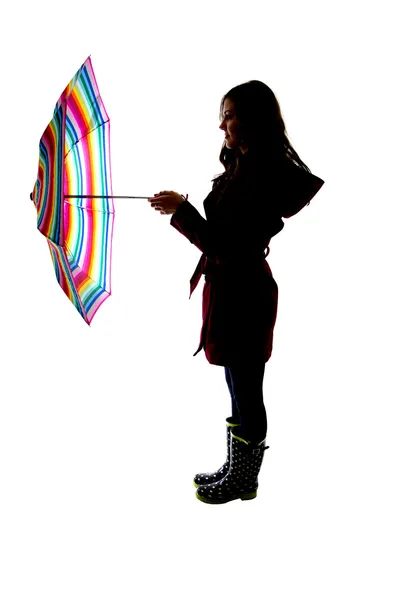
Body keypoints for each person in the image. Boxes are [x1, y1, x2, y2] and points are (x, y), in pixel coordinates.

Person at [147, 80, 324, 504]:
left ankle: (245, 480)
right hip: (232, 291)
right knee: (236, 382)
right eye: (222, 115)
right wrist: (184, 209)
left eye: (228, 114)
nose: (222, 125)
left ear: (252, 119)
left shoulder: (261, 175)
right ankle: (237, 468)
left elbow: (225, 244)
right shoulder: (243, 168)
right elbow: (223, 234)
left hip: (244, 294)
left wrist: (182, 212)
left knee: (246, 386)